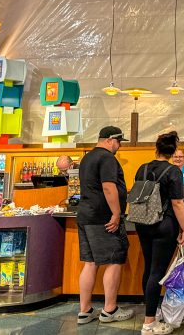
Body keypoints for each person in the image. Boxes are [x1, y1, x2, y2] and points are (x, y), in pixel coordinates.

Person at [76, 126, 134, 325]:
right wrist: (116, 213)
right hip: (103, 218)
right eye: (119, 142)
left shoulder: (87, 158)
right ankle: (110, 310)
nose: (119, 146)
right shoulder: (107, 158)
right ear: (110, 139)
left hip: (85, 215)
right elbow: (109, 187)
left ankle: (85, 311)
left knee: (90, 263)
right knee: (113, 260)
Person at [135, 131, 184, 335]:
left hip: (142, 222)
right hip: (163, 225)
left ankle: (151, 312)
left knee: (149, 268)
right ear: (173, 151)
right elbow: (177, 203)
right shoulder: (173, 171)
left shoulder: (142, 168)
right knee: (157, 271)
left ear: (156, 148)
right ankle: (149, 324)